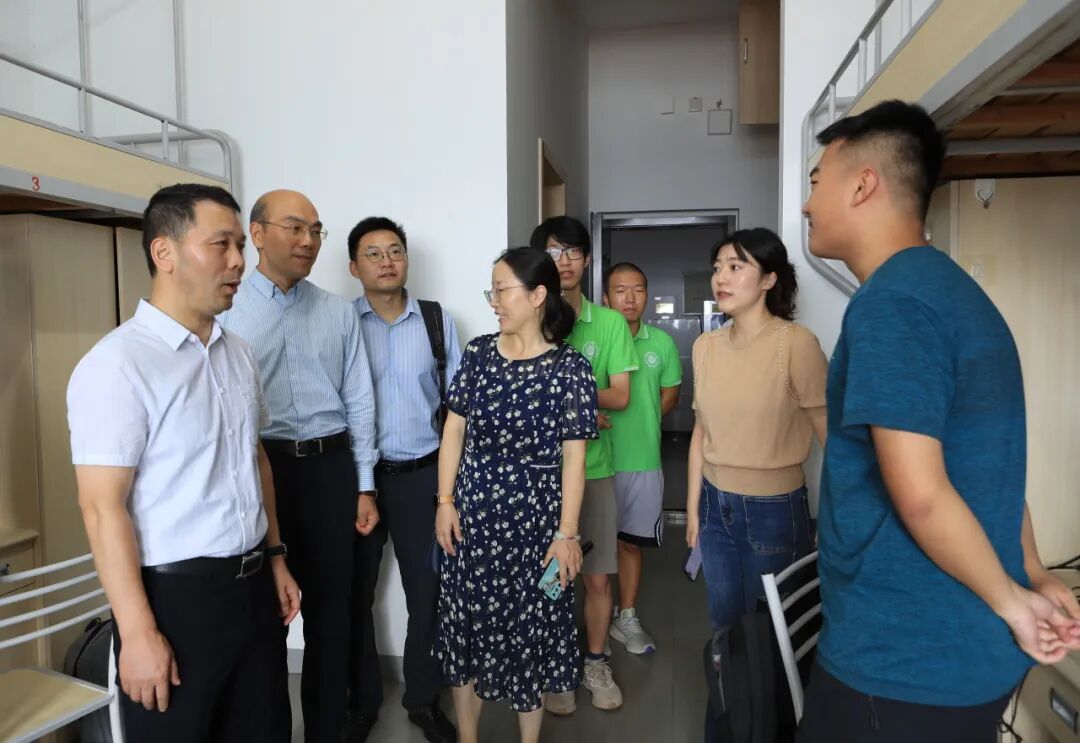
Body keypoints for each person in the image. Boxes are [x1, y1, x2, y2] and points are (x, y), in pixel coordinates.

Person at [796, 99, 1080, 742]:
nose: (808, 204)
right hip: (961, 652)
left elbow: (921, 494)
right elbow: (988, 469)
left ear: (862, 184)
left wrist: (1016, 602)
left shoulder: (892, 305)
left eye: (816, 181)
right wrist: (1030, 574)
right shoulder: (954, 292)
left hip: (901, 661)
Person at [67, 183, 300, 742]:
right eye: (220, 244)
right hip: (175, 600)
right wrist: (137, 632)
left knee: (265, 730)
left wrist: (275, 559)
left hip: (252, 591)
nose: (239, 260)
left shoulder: (237, 352)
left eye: (240, 244)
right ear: (164, 252)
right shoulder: (117, 365)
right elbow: (102, 508)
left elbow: (255, 461)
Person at [218, 189, 379, 743]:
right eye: (295, 228)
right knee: (264, 619)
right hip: (261, 472)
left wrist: (364, 485)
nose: (308, 241)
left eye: (316, 230)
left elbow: (359, 399)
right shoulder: (226, 310)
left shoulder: (336, 311)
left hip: (330, 473)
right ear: (258, 234)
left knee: (332, 618)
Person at [434, 246, 597, 743]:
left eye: (501, 290)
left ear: (538, 295)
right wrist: (445, 502)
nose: (494, 302)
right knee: (470, 627)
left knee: (533, 629)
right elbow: (454, 431)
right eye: (492, 291)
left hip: (537, 526)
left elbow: (574, 459)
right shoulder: (479, 354)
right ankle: (468, 737)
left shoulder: (571, 368)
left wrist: (567, 534)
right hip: (474, 518)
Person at [685, 227, 827, 738]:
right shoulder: (705, 346)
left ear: (768, 279)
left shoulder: (796, 344)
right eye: (717, 267)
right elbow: (701, 432)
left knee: (774, 636)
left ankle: (768, 730)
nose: (721, 277)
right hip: (715, 507)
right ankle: (729, 728)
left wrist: (844, 520)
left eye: (736, 266)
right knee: (726, 630)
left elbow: (832, 437)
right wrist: (693, 512)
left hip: (774, 509)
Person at [346, 216, 460, 743]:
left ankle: (422, 699)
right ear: (354, 267)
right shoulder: (343, 324)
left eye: (395, 250)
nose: (387, 261)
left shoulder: (436, 321)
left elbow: (459, 407)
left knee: (428, 592)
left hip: (423, 477)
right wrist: (359, 484)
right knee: (354, 593)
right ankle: (361, 703)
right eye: (373, 253)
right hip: (359, 482)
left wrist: (450, 489)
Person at [531, 216, 637, 713]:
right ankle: (556, 668)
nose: (564, 261)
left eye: (573, 251)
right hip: (536, 473)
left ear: (587, 259)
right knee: (548, 578)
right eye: (554, 252)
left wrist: (568, 402)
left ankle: (595, 661)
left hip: (592, 470)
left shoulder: (609, 323)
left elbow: (620, 394)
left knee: (595, 576)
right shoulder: (528, 315)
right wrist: (579, 408)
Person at [603, 262, 682, 654]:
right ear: (606, 298)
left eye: (637, 290)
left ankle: (627, 615)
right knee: (592, 546)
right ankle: (594, 619)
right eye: (620, 290)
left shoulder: (662, 343)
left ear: (647, 296)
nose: (630, 298)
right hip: (597, 461)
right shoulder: (592, 338)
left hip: (644, 461)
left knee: (631, 544)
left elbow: (670, 395)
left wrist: (644, 420)